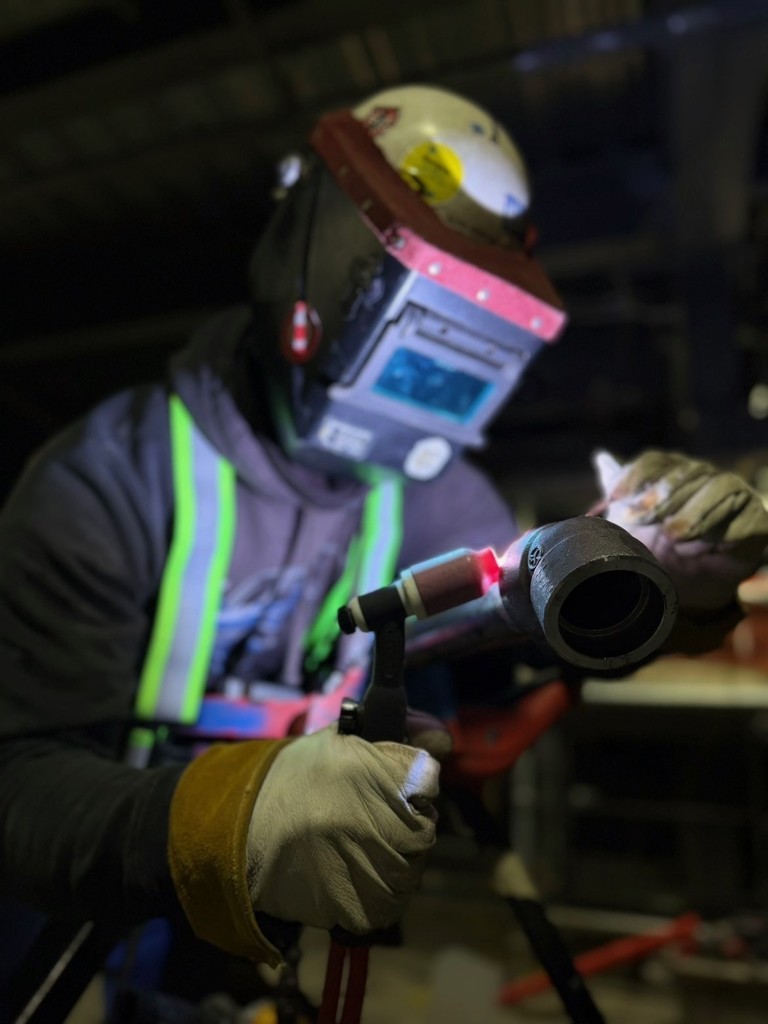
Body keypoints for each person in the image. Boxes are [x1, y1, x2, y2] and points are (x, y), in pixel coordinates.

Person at [0, 83, 766, 1020]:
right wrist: (226, 822)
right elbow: (17, 783)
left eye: (462, 370)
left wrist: (666, 582)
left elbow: (527, 622)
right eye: (416, 348)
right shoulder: (108, 483)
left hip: (253, 932)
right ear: (318, 270)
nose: (416, 411)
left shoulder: (432, 494)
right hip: (71, 905)